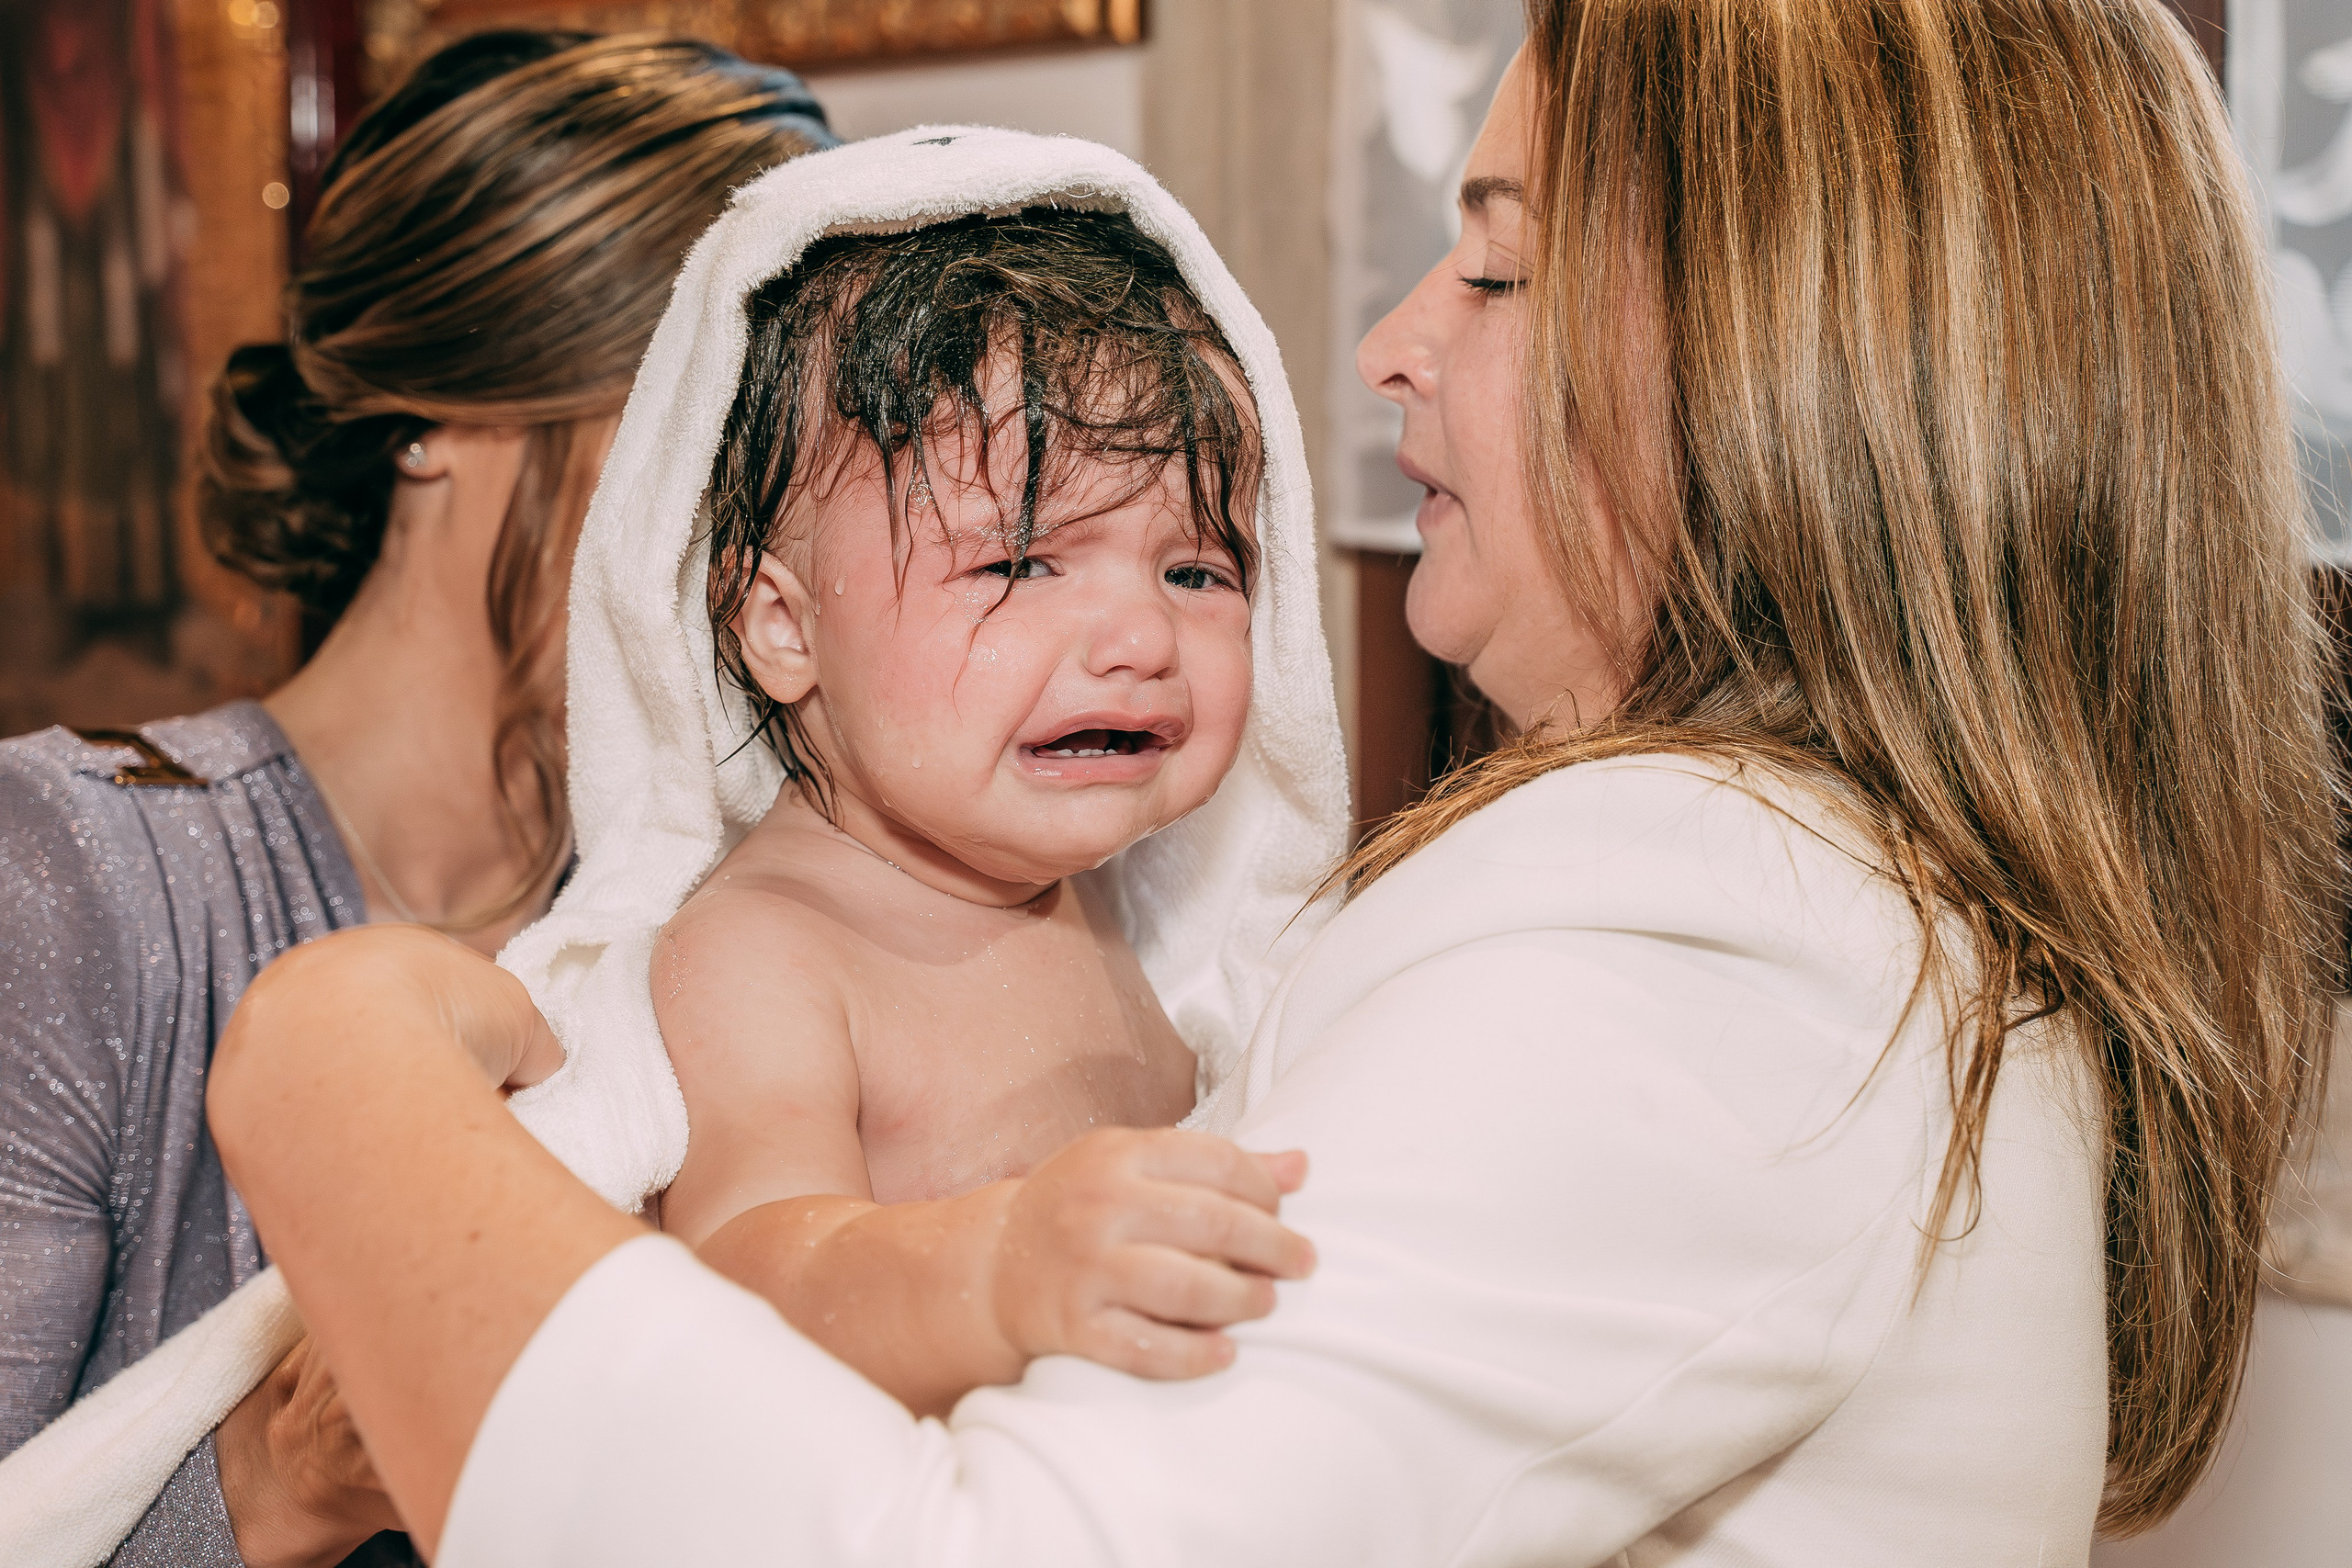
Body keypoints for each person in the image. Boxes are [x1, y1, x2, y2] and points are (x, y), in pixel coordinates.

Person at [207, 2, 2338, 1562]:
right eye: (1024, 557)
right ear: (775, 621)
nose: (1395, 340)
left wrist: (332, 1071)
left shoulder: (1713, 946)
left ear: (1798, 370)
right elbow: (776, 1264)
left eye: (1495, 264)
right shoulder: (789, 946)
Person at [0, 30, 831, 1568]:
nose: (771, 516)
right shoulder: (67, 888)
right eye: (706, 427)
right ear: (440, 413)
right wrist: (282, 1483)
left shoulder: (765, 911)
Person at [658, 209, 1317, 1408]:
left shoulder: (1112, 903)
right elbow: (741, 1275)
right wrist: (996, 1272)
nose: (1139, 639)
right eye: (1018, 563)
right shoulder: (765, 953)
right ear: (785, 628)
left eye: (1196, 570)